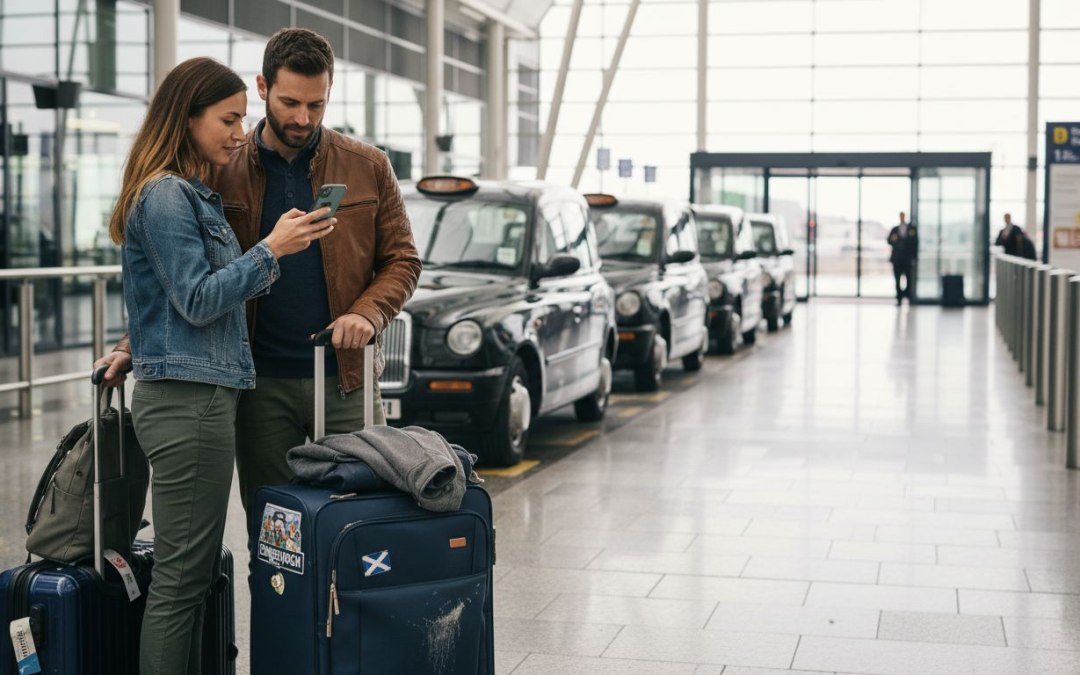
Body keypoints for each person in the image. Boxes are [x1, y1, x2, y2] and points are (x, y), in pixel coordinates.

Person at [99, 28, 422, 531]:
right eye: (291, 101)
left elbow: (403, 260)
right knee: (273, 533)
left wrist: (368, 311)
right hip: (256, 383)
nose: (303, 118)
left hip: (345, 378)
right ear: (263, 87)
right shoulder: (217, 169)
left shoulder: (368, 166)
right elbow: (176, 274)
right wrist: (131, 343)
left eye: (317, 104)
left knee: (359, 528)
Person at [97, 57, 334, 675]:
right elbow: (198, 299)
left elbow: (166, 302)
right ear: (187, 116)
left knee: (191, 572)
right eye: (228, 119)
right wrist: (270, 249)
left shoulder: (182, 191)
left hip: (194, 395)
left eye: (241, 119)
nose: (238, 132)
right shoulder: (169, 195)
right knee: (181, 579)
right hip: (189, 401)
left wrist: (130, 345)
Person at [887, 212, 918, 305]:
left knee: (909, 279)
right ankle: (899, 298)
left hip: (907, 259)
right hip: (897, 259)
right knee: (897, 279)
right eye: (900, 216)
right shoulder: (895, 229)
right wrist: (893, 239)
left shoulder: (911, 229)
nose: (902, 218)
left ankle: (908, 297)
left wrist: (914, 258)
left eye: (903, 216)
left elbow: (915, 243)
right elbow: (888, 241)